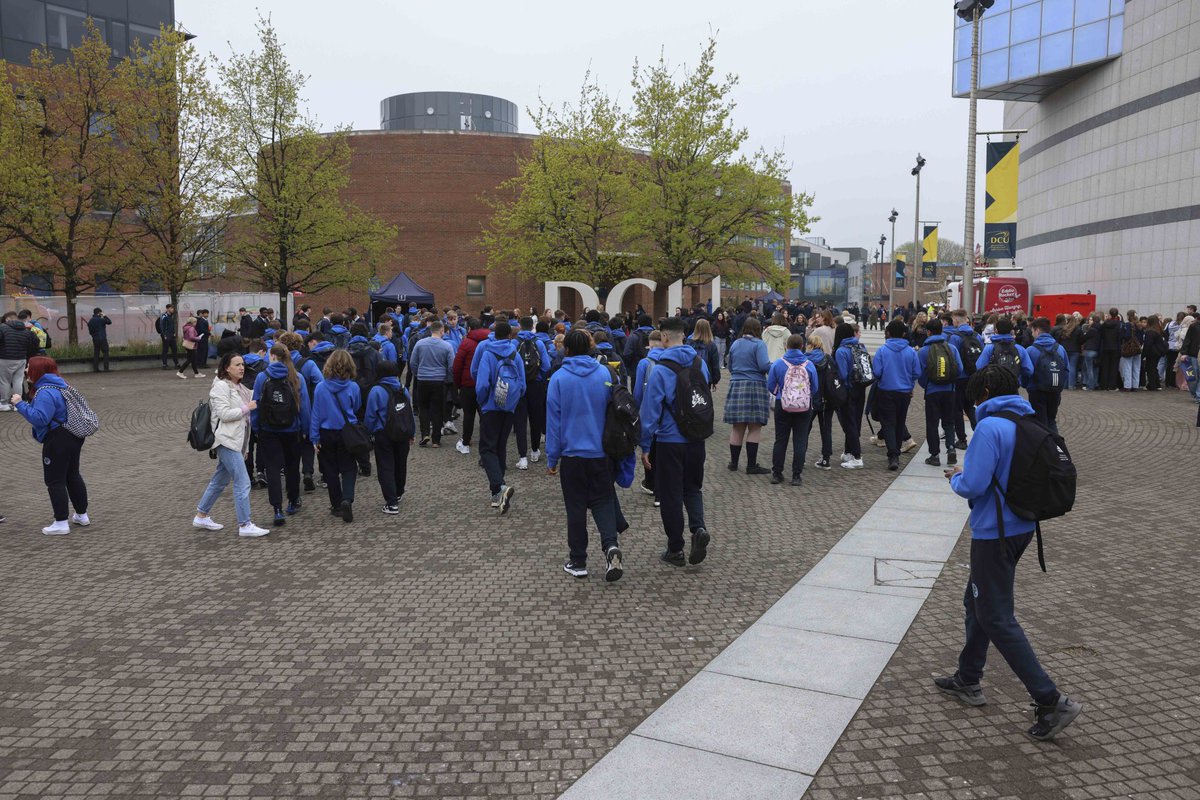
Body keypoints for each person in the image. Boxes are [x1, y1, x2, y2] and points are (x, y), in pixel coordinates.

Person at [938, 364, 1083, 741]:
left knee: (996, 616)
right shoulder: (1027, 419)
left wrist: (955, 476)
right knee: (977, 603)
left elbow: (973, 485)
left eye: (974, 398)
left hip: (994, 533)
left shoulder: (989, 427)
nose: (973, 406)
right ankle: (968, 676)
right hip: (1021, 527)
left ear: (984, 392)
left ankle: (1050, 699)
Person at [547, 329, 624, 582]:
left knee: (576, 507)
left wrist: (552, 458)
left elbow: (554, 424)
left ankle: (578, 560)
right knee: (603, 501)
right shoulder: (604, 373)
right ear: (591, 347)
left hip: (572, 454)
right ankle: (610, 545)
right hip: (601, 452)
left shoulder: (558, 379)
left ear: (565, 349)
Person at [639, 317, 710, 567]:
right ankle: (698, 528)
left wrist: (645, 445)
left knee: (670, 494)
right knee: (693, 488)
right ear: (684, 335)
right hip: (696, 437)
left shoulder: (660, 369)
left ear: (665, 337)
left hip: (670, 439)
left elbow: (650, 412)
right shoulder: (700, 363)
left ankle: (675, 548)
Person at [191, 353, 269, 537]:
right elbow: (224, 414)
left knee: (220, 480)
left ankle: (201, 515)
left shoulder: (239, 387)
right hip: (225, 441)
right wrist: (246, 408)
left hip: (236, 442)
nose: (241, 368)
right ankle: (245, 524)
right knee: (242, 482)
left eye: (242, 364)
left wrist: (246, 448)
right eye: (237, 365)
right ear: (226, 368)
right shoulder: (220, 387)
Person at [11, 357, 91, 535]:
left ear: (38, 371)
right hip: (73, 435)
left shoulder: (45, 391)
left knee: (55, 480)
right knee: (72, 475)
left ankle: (61, 522)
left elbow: (40, 418)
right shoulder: (60, 385)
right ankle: (81, 515)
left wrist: (20, 404)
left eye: (29, 368)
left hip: (57, 439)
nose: (25, 371)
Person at [252, 344, 311, 526]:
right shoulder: (297, 377)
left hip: (269, 431)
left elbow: (255, 404)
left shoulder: (262, 377)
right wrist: (306, 430)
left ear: (272, 356)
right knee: (292, 467)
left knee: (273, 469)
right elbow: (305, 408)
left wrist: (256, 428)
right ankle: (293, 501)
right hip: (292, 429)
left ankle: (277, 509)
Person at [475, 320, 525, 514]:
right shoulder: (515, 354)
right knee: (500, 447)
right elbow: (522, 384)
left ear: (493, 334)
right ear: (510, 336)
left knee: (487, 449)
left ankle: (500, 486)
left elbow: (482, 385)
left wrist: (483, 402)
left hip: (491, 406)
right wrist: (513, 400)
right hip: (509, 406)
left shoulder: (488, 353)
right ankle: (497, 494)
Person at [309, 349, 362, 523]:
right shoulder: (353, 387)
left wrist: (314, 437)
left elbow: (315, 413)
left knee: (330, 470)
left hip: (326, 432)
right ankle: (347, 498)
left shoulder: (320, 387)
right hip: (346, 432)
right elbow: (356, 407)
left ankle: (336, 504)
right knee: (348, 468)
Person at [765, 333, 818, 486]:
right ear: (802, 346)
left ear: (786, 346)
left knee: (780, 440)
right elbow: (814, 387)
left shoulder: (778, 363)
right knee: (800, 441)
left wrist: (781, 393)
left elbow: (771, 386)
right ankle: (796, 475)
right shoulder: (809, 364)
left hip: (783, 404)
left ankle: (777, 473)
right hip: (804, 406)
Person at [366, 359, 414, 514]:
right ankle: (399, 492)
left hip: (384, 434)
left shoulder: (376, 391)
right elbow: (409, 413)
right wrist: (411, 433)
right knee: (401, 464)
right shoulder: (403, 389)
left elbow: (370, 416)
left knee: (386, 467)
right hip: (402, 432)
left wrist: (370, 431)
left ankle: (391, 502)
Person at [725, 317, 772, 475]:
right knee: (754, 427)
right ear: (758, 329)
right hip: (754, 385)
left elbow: (729, 365)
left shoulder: (736, 343)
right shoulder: (759, 344)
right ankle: (751, 466)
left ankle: (733, 463)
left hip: (736, 384)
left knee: (737, 427)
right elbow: (764, 365)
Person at [872, 319, 921, 471]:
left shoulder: (882, 350)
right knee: (900, 422)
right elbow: (917, 372)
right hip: (904, 392)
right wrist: (910, 383)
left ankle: (892, 454)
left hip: (886, 390)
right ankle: (896, 452)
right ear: (904, 334)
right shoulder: (911, 351)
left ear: (888, 333)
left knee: (888, 423)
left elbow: (877, 372)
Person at [917, 318, 965, 467]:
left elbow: (921, 374)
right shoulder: (951, 348)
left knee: (932, 423)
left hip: (932, 391)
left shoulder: (924, 351)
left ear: (928, 332)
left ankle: (934, 455)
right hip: (950, 390)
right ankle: (951, 448)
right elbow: (959, 369)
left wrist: (927, 385)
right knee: (949, 421)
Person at [409, 320, 455, 447]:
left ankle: (425, 434)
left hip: (423, 380)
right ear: (441, 331)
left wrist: (417, 374)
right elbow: (451, 366)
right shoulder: (447, 346)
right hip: (439, 381)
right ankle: (436, 439)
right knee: (438, 409)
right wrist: (448, 378)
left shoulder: (420, 343)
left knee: (423, 408)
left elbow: (412, 362)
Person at [833, 323, 867, 470]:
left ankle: (857, 456)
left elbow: (842, 374)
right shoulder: (860, 347)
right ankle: (849, 452)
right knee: (856, 420)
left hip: (848, 390)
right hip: (861, 387)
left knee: (849, 422)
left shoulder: (841, 351)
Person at [1026, 317, 1068, 434]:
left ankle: (1045, 449)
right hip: (1055, 391)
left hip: (1037, 391)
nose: (1032, 334)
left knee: (1040, 422)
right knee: (1051, 421)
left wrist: (1027, 385)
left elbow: (1026, 371)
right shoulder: (1060, 349)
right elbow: (1066, 370)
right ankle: (1058, 447)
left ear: (1037, 331)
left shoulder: (1031, 350)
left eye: (1033, 331)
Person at [452, 318, 488, 455]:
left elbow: (457, 366)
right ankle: (486, 442)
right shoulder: (490, 342)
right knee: (485, 415)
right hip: (485, 384)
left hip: (468, 385)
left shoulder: (466, 343)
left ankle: (466, 442)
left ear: (469, 329)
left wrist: (457, 384)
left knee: (469, 415)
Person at [0, 311, 38, 412]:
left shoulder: (2, 328)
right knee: (18, 381)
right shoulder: (25, 330)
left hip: (5, 358)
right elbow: (33, 344)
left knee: (4, 381)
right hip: (21, 358)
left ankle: (4, 403)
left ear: (8, 319)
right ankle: (17, 404)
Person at [687, 319, 722, 391]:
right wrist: (715, 380)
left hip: (690, 376)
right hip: (705, 377)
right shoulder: (711, 345)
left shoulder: (689, 343)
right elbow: (715, 364)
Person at [1118, 309, 1143, 391]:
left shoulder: (1128, 325)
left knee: (1127, 367)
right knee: (1136, 368)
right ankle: (1135, 386)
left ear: (1129, 316)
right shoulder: (1139, 325)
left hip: (1129, 348)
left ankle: (1127, 386)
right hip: (1137, 348)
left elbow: (1126, 336)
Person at [1098, 308, 1123, 390]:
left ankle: (1104, 385)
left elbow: (1100, 334)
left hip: (1105, 346)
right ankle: (1112, 385)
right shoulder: (1119, 324)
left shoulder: (1105, 324)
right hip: (1116, 347)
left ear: (1110, 314)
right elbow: (1120, 335)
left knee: (1105, 367)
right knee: (1114, 367)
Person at [86, 308, 112, 372]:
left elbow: (90, 331)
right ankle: (106, 368)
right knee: (105, 353)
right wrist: (104, 315)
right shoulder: (101, 320)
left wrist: (94, 336)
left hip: (95, 339)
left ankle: (95, 368)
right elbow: (109, 322)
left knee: (96, 353)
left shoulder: (90, 321)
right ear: (99, 313)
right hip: (102, 338)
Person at [158, 304, 181, 371]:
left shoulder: (171, 316)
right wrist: (164, 335)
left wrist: (174, 333)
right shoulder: (164, 316)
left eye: (173, 308)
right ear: (167, 309)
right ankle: (164, 364)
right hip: (166, 335)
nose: (172, 309)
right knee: (165, 350)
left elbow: (172, 326)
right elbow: (162, 326)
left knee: (174, 349)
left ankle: (176, 364)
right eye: (171, 308)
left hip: (171, 335)